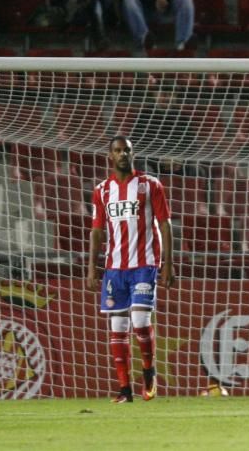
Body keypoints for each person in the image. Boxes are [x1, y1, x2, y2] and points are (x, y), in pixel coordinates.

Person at [86, 136, 175, 404]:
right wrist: (92, 267)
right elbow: (96, 231)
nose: (123, 154)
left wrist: (168, 264)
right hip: (114, 268)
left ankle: (148, 372)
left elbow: (165, 225)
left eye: (127, 150)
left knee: (139, 321)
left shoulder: (150, 185)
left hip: (145, 264)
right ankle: (124, 389)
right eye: (117, 150)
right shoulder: (101, 190)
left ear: (132, 154)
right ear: (110, 156)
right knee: (118, 326)